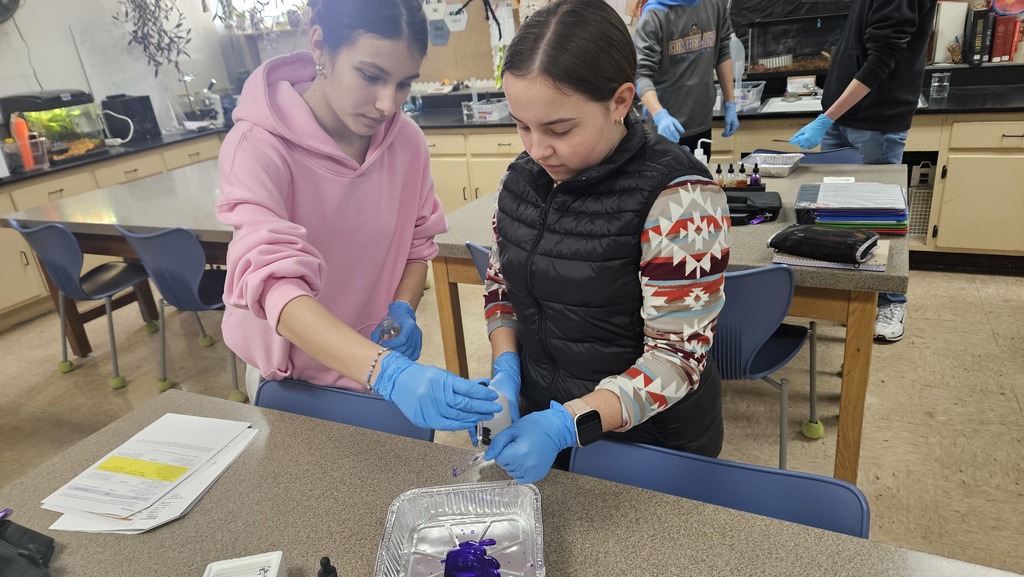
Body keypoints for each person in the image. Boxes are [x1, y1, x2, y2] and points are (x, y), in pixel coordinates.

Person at [479, 0, 731, 484]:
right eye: (522, 125)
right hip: (542, 426)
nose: (537, 149)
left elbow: (677, 360)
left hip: (649, 446)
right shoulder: (521, 180)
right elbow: (501, 286)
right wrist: (505, 369)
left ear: (619, 102)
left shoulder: (681, 197)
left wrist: (567, 423)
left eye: (559, 129)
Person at [216, 0, 500, 430]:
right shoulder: (257, 147)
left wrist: (401, 309)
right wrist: (386, 371)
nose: (387, 104)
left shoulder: (406, 143)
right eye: (370, 76)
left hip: (376, 363)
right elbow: (274, 286)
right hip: (293, 384)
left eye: (404, 84)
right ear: (319, 46)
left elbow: (415, 247)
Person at [789, 0, 937, 343]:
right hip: (843, 117)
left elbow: (882, 59)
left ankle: (890, 303)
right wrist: (831, 115)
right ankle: (855, 298)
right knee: (834, 214)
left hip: (875, 122)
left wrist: (826, 118)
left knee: (882, 218)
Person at [633, 0, 740, 161]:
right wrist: (660, 115)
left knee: (701, 175)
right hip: (665, 128)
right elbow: (641, 75)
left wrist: (730, 103)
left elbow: (723, 52)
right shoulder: (655, 14)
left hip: (702, 122)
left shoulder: (715, 4)